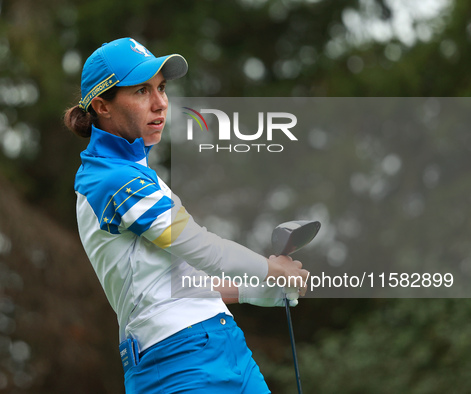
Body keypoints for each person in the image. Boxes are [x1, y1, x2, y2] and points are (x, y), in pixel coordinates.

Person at [64, 37, 309, 393]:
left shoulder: (138, 175)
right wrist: (272, 268)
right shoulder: (111, 179)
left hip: (224, 345)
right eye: (142, 91)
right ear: (102, 106)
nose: (161, 102)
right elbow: (202, 249)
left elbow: (176, 280)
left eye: (161, 88)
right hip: (176, 361)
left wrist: (255, 290)